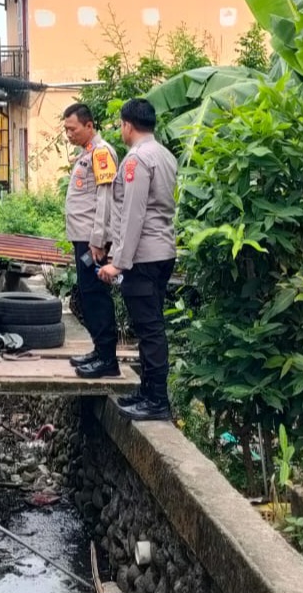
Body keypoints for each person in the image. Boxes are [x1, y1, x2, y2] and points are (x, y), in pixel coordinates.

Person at [97, 98, 178, 421]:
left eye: (120, 125)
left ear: (128, 125)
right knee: (150, 326)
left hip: (143, 257)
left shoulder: (137, 160)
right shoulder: (165, 155)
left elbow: (133, 214)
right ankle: (147, 393)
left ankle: (156, 399)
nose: (121, 130)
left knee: (149, 329)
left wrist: (119, 261)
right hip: (162, 252)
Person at [60, 103, 121, 379]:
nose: (68, 134)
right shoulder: (87, 154)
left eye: (72, 129)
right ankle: (99, 351)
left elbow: (105, 198)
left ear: (88, 126)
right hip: (83, 239)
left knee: (96, 296)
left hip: (92, 242)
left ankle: (107, 359)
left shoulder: (102, 153)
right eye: (66, 129)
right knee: (88, 295)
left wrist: (99, 241)